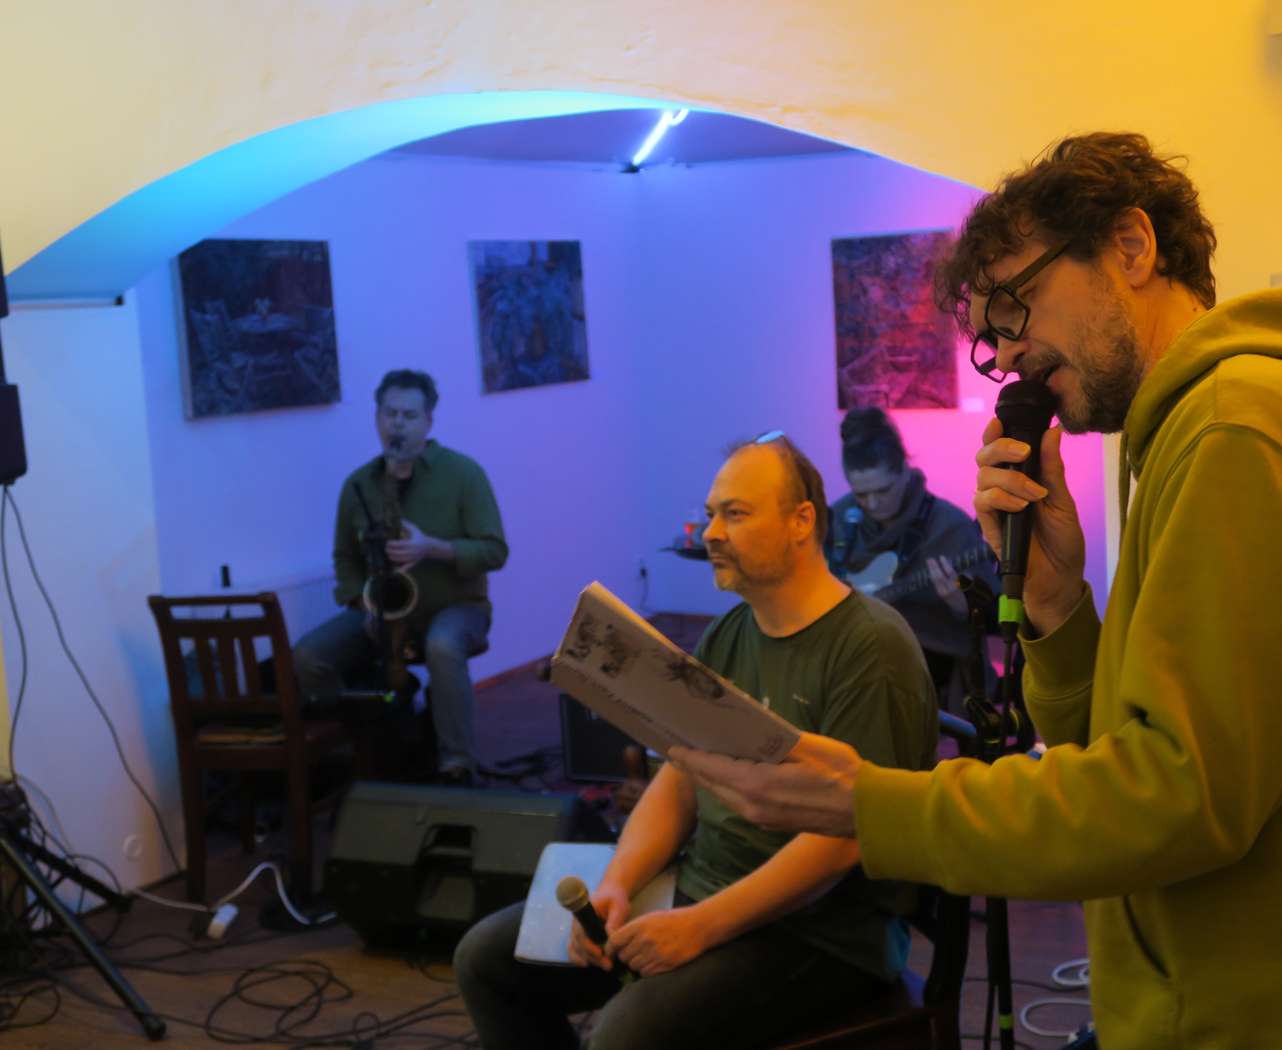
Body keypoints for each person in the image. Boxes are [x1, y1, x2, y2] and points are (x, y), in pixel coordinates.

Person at [672, 132, 1282, 1049]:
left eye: (1015, 306)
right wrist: (1056, 606)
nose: (1010, 356)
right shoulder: (1184, 430)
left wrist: (875, 803)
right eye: (992, 338)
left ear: (1131, 246)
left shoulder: (1241, 429)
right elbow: (1130, 751)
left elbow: (1180, 797)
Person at [454, 434, 934, 1050]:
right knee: (486, 961)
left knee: (623, 1037)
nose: (710, 533)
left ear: (801, 521)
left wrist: (699, 927)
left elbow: (845, 838)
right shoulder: (731, 631)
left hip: (822, 934)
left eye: (735, 514)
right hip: (705, 890)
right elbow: (681, 777)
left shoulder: (871, 646)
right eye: (711, 514)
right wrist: (618, 883)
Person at [293, 369, 507, 784]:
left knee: (442, 645)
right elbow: (344, 558)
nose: (398, 425)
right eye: (390, 414)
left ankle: (457, 764)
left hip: (457, 606)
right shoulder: (358, 485)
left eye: (409, 416)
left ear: (429, 421)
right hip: (381, 612)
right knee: (309, 656)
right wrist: (361, 604)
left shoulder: (464, 474)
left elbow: (495, 551)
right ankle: (366, 749)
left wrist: (433, 548)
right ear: (377, 418)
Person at [827, 406, 1001, 709]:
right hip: (849, 666)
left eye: (883, 491)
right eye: (861, 495)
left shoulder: (950, 527)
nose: (872, 504)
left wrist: (964, 607)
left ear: (905, 471)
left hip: (928, 677)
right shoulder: (838, 518)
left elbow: (999, 617)